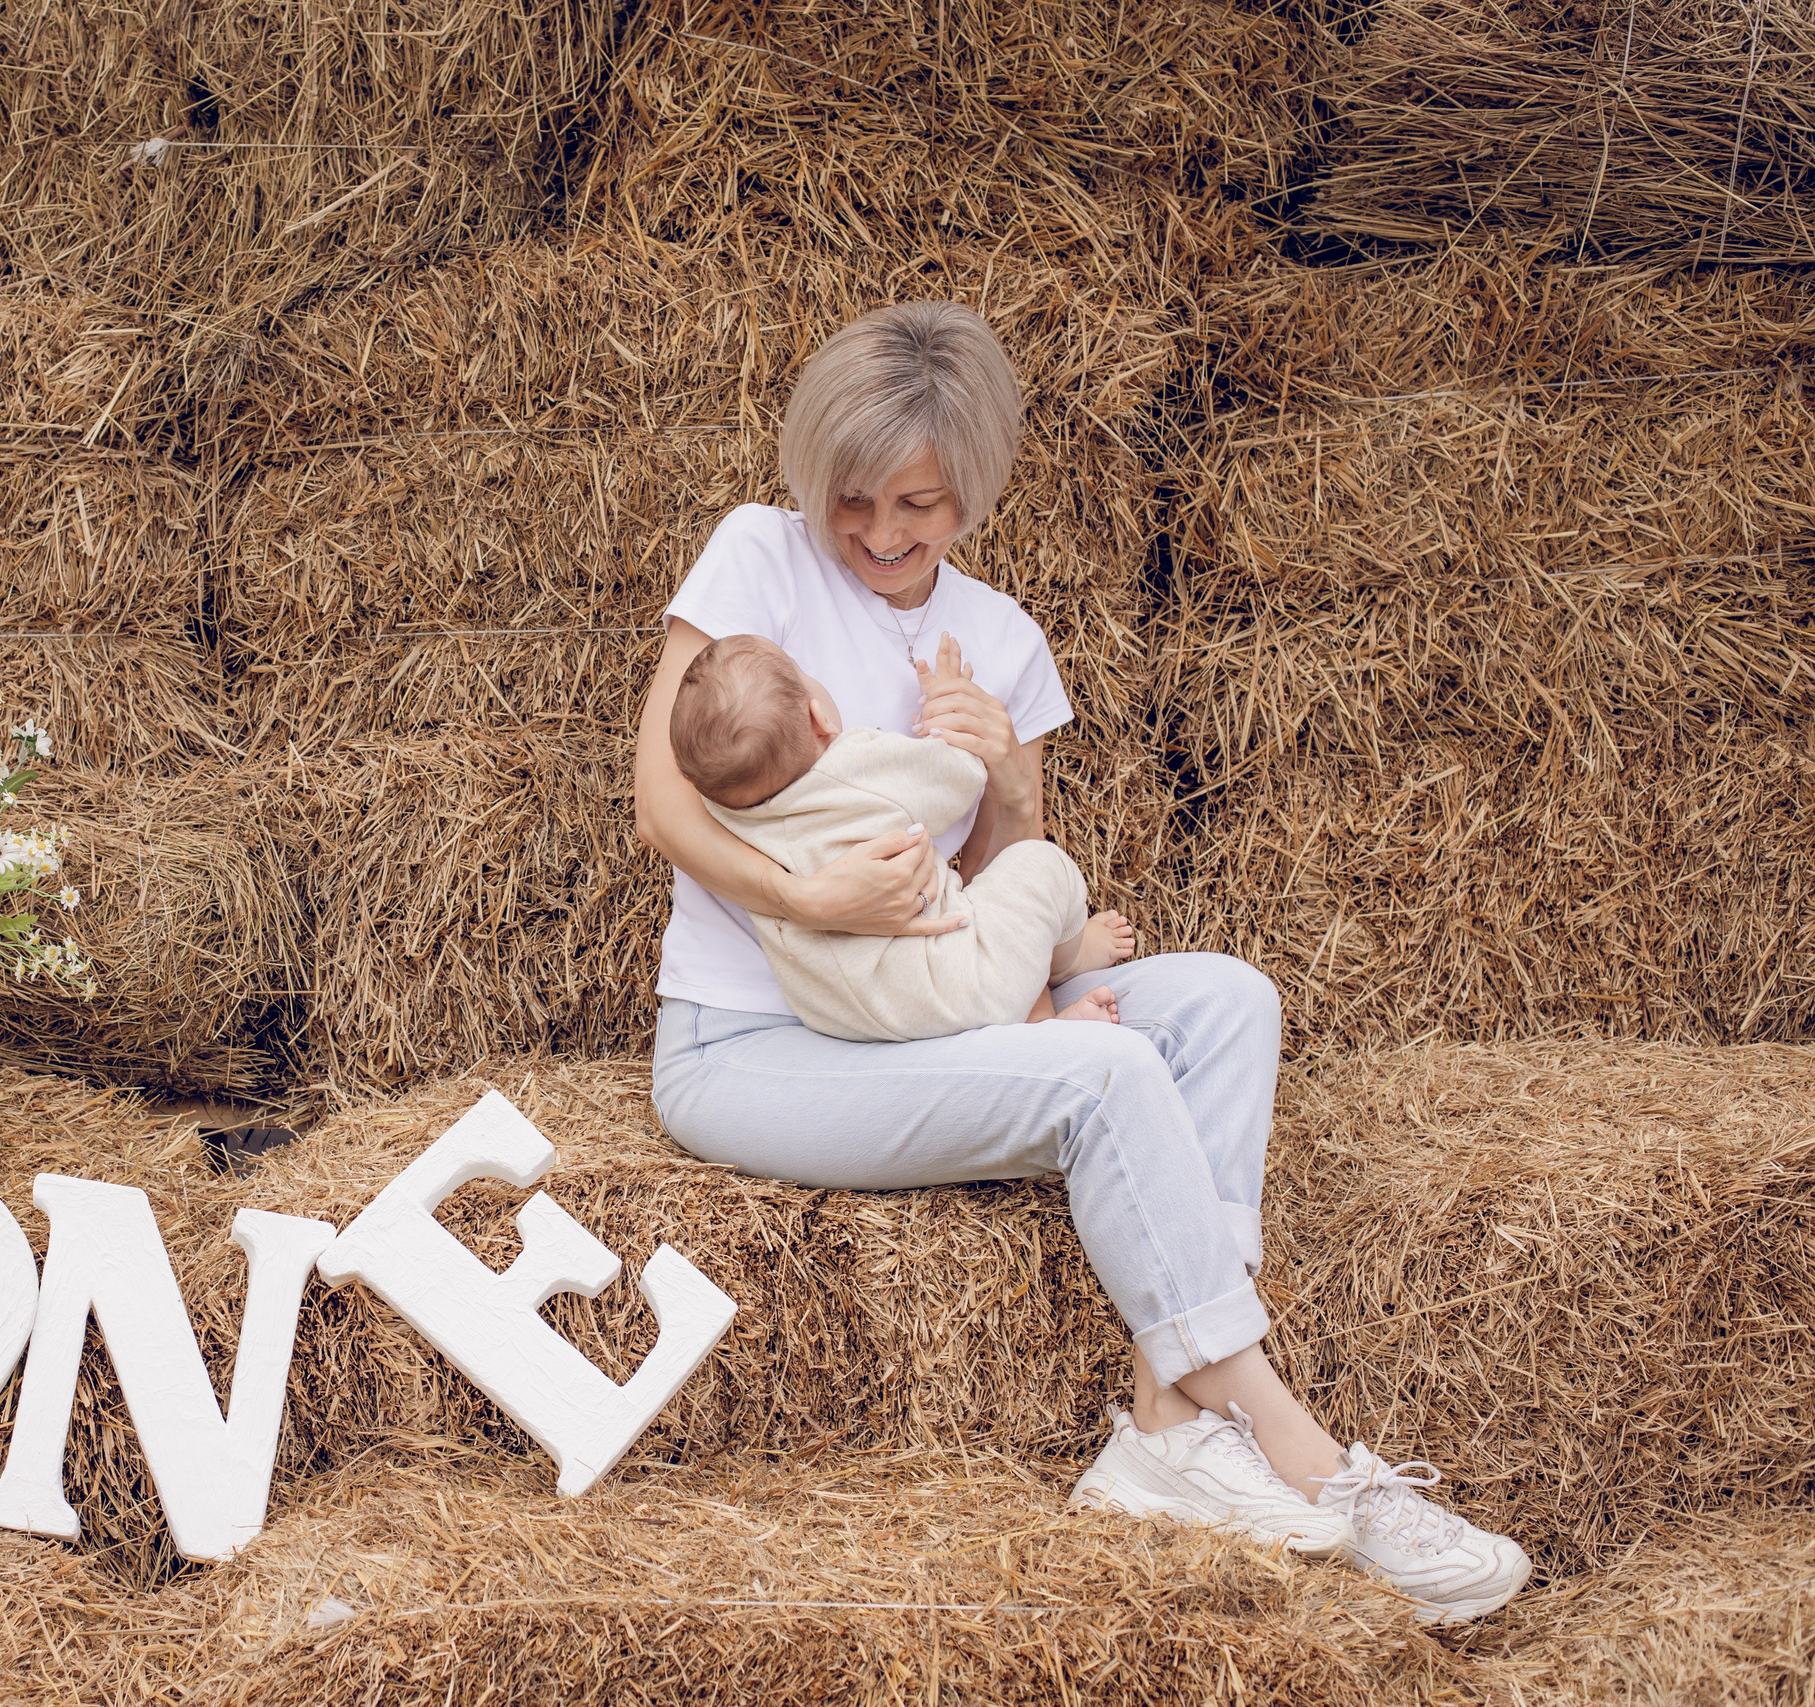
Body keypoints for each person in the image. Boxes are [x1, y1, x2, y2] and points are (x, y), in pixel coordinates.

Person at [635, 301, 1532, 1624]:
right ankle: (1313, 1461)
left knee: (1229, 999)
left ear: (976, 492)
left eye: (921, 504)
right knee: (1104, 1071)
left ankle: (1169, 1420)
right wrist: (812, 894)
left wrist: (1000, 771)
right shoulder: (755, 558)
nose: (884, 533)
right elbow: (662, 801)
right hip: (751, 1041)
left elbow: (1012, 876)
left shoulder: (1001, 636)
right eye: (856, 500)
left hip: (927, 1009)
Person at [667, 630, 1128, 1038]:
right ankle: (1066, 965)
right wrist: (947, 708)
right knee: (1038, 865)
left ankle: (1041, 1029)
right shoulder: (853, 767)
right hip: (944, 980)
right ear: (819, 717)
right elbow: (959, 778)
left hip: (839, 1014)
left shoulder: (723, 810)